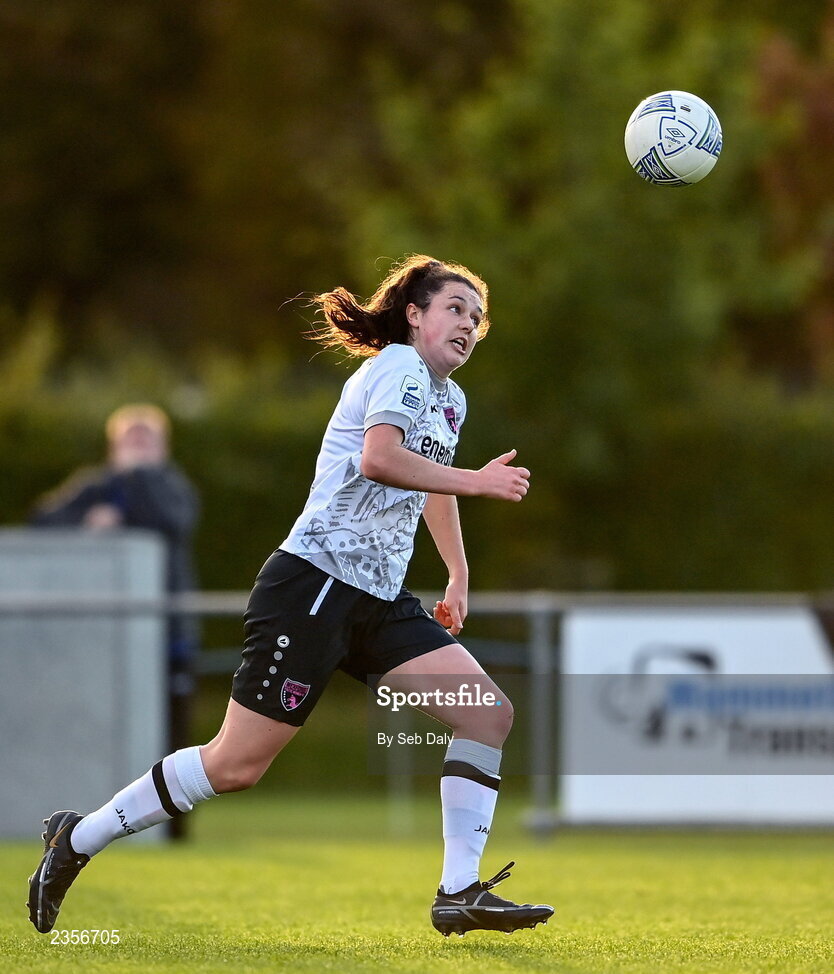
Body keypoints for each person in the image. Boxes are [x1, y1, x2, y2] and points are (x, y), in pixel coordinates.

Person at [26, 255, 554, 937]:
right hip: (314, 586)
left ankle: (459, 893)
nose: (469, 324)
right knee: (234, 765)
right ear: (414, 314)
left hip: (378, 601)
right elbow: (380, 459)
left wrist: (457, 571)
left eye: (477, 317)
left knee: (486, 715)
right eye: (455, 308)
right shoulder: (397, 366)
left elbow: (430, 483)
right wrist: (478, 484)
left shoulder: (449, 399)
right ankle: (77, 838)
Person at [30, 404, 200, 837]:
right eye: (131, 441)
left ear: (163, 448)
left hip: (168, 636)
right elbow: (43, 521)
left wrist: (138, 477)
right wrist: (89, 522)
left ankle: (173, 834)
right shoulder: (96, 487)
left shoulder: (173, 488)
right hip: (103, 645)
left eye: (147, 441)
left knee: (172, 736)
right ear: (113, 446)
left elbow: (173, 522)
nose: (138, 449)